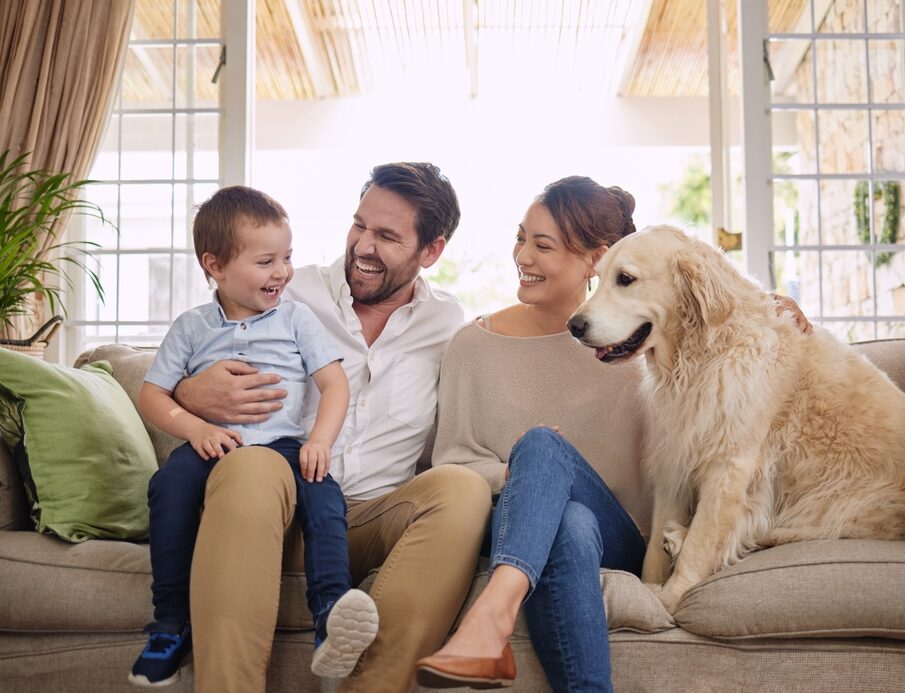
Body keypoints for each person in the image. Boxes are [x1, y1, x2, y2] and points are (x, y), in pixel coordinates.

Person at [415, 176, 813, 691]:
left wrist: (773, 303)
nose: (523, 256)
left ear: (597, 260)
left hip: (624, 535)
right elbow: (453, 462)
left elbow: (715, 333)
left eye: (543, 245)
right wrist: (531, 475)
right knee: (566, 511)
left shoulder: (641, 344)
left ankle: (490, 615)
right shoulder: (474, 345)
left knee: (547, 453)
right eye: (520, 238)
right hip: (517, 526)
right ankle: (501, 626)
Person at [170, 163, 492, 693]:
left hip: (370, 519)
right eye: (359, 225)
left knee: (464, 489)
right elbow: (182, 365)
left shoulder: (448, 326)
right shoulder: (284, 292)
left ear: (430, 251)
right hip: (276, 507)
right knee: (253, 465)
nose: (362, 245)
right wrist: (190, 392)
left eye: (387, 236)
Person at [129, 186, 379, 688]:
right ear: (215, 265)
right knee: (167, 488)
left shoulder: (295, 318)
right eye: (266, 261)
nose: (282, 272)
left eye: (287, 257)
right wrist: (195, 427)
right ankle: (170, 625)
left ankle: (330, 613)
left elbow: (334, 383)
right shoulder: (192, 327)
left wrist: (320, 442)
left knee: (324, 496)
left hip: (285, 449)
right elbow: (152, 396)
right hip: (211, 445)